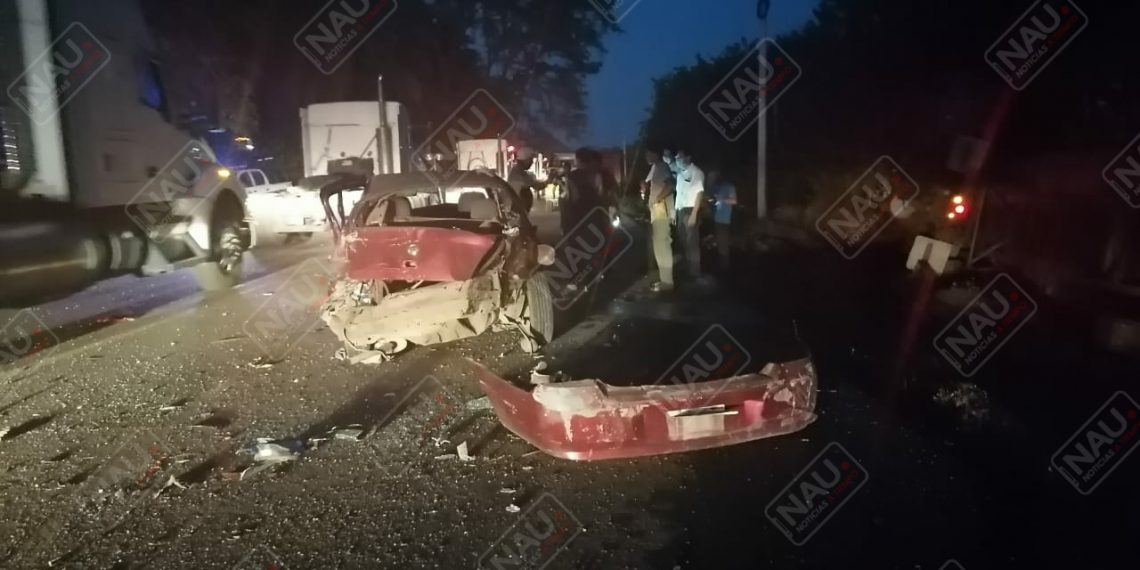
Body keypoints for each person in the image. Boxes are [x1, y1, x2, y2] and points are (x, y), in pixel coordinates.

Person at [642, 148, 674, 292]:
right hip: (656, 212)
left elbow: (670, 185)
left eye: (648, 153)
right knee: (659, 247)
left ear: (655, 153)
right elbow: (647, 181)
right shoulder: (656, 168)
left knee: (662, 247)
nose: (646, 156)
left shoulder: (662, 167)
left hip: (661, 212)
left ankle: (667, 282)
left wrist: (656, 200)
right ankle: (664, 280)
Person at [673, 150, 705, 280]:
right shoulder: (680, 175)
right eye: (676, 158)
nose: (678, 160)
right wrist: (674, 212)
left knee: (692, 242)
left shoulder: (697, 173)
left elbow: (699, 194)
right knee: (683, 240)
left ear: (688, 157)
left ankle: (695, 272)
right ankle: (688, 267)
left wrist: (694, 213)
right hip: (681, 210)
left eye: (680, 157)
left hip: (690, 210)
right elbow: (679, 195)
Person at [708, 169, 737, 272]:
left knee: (723, 242)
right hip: (717, 218)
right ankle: (722, 264)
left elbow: (734, 201)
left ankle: (725, 267)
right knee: (720, 242)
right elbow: (714, 200)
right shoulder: (717, 187)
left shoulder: (729, 186)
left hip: (725, 219)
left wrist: (722, 199)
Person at [507, 147, 538, 213]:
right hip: (518, 210)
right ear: (525, 160)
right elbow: (537, 186)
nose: (532, 162)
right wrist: (549, 180)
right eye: (530, 159)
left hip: (519, 210)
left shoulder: (518, 170)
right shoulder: (519, 173)